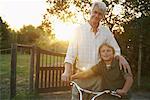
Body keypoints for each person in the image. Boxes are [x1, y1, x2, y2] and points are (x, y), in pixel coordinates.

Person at [61, 1, 132, 100]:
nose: (96, 15)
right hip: (81, 76)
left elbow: (115, 50)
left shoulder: (106, 32)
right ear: (90, 12)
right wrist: (67, 71)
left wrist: (121, 58)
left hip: (98, 78)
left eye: (99, 14)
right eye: (95, 12)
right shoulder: (79, 30)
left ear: (102, 16)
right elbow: (70, 54)